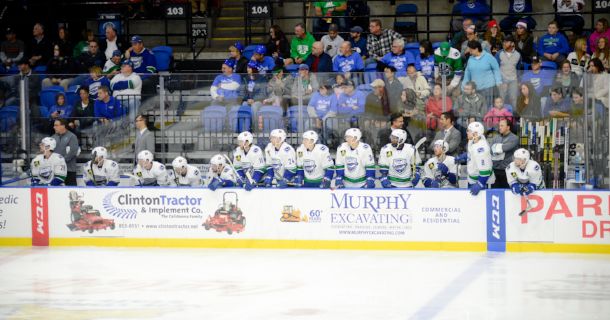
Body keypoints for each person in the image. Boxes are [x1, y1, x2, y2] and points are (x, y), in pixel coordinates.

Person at [455, 121, 495, 195]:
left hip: (481, 182)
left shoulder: (481, 149)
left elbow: (485, 170)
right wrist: (466, 155)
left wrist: (480, 184)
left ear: (475, 134)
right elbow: (472, 152)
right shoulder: (474, 139)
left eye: (469, 131)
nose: (467, 132)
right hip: (472, 179)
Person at [462, 40, 502, 106]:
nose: (470, 52)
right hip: (476, 89)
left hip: (488, 88)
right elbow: (467, 73)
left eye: (471, 50)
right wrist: (463, 85)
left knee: (488, 107)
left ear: (477, 49)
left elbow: (496, 69)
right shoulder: (470, 59)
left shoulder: (488, 57)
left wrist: (498, 81)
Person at [488, 118, 519, 188]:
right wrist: (498, 148)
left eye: (502, 126)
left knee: (507, 194)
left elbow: (504, 148)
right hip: (495, 170)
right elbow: (490, 150)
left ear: (508, 127)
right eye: (499, 126)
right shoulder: (496, 138)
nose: (500, 127)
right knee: (495, 193)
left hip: (507, 171)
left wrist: (496, 148)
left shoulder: (514, 138)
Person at [52, 118, 80, 186]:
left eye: (56, 125)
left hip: (69, 170)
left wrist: (61, 162)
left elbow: (73, 152)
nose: (54, 127)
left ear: (63, 126)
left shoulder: (72, 136)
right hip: (56, 171)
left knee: (71, 192)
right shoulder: (53, 137)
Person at [496, 35, 521, 108]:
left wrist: (518, 81)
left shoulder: (518, 55)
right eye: (503, 42)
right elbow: (495, 69)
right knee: (501, 100)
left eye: (506, 42)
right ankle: (500, 117)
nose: (504, 43)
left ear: (512, 44)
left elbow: (518, 69)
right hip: (502, 80)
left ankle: (515, 118)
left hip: (513, 80)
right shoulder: (499, 53)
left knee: (514, 99)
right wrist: (499, 81)